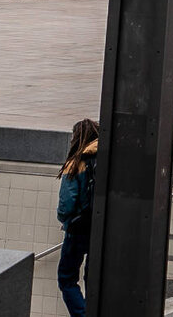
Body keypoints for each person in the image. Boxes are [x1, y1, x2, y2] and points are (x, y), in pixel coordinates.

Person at [57, 119, 99, 317]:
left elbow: (66, 204)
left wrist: (64, 220)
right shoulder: (107, 160)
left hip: (78, 228)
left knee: (66, 278)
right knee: (94, 277)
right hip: (100, 228)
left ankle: (82, 315)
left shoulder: (76, 163)